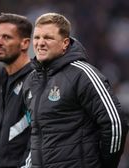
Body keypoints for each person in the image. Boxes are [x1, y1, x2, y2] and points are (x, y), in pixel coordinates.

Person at [22, 13, 128, 168]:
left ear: (65, 43)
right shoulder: (31, 81)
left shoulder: (83, 74)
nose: (40, 43)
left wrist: (106, 165)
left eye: (48, 38)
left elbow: (115, 123)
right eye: (36, 38)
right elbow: (35, 134)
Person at [0, 13, 33, 168]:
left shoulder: (34, 80)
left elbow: (40, 134)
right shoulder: (6, 78)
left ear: (24, 43)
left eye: (7, 37)